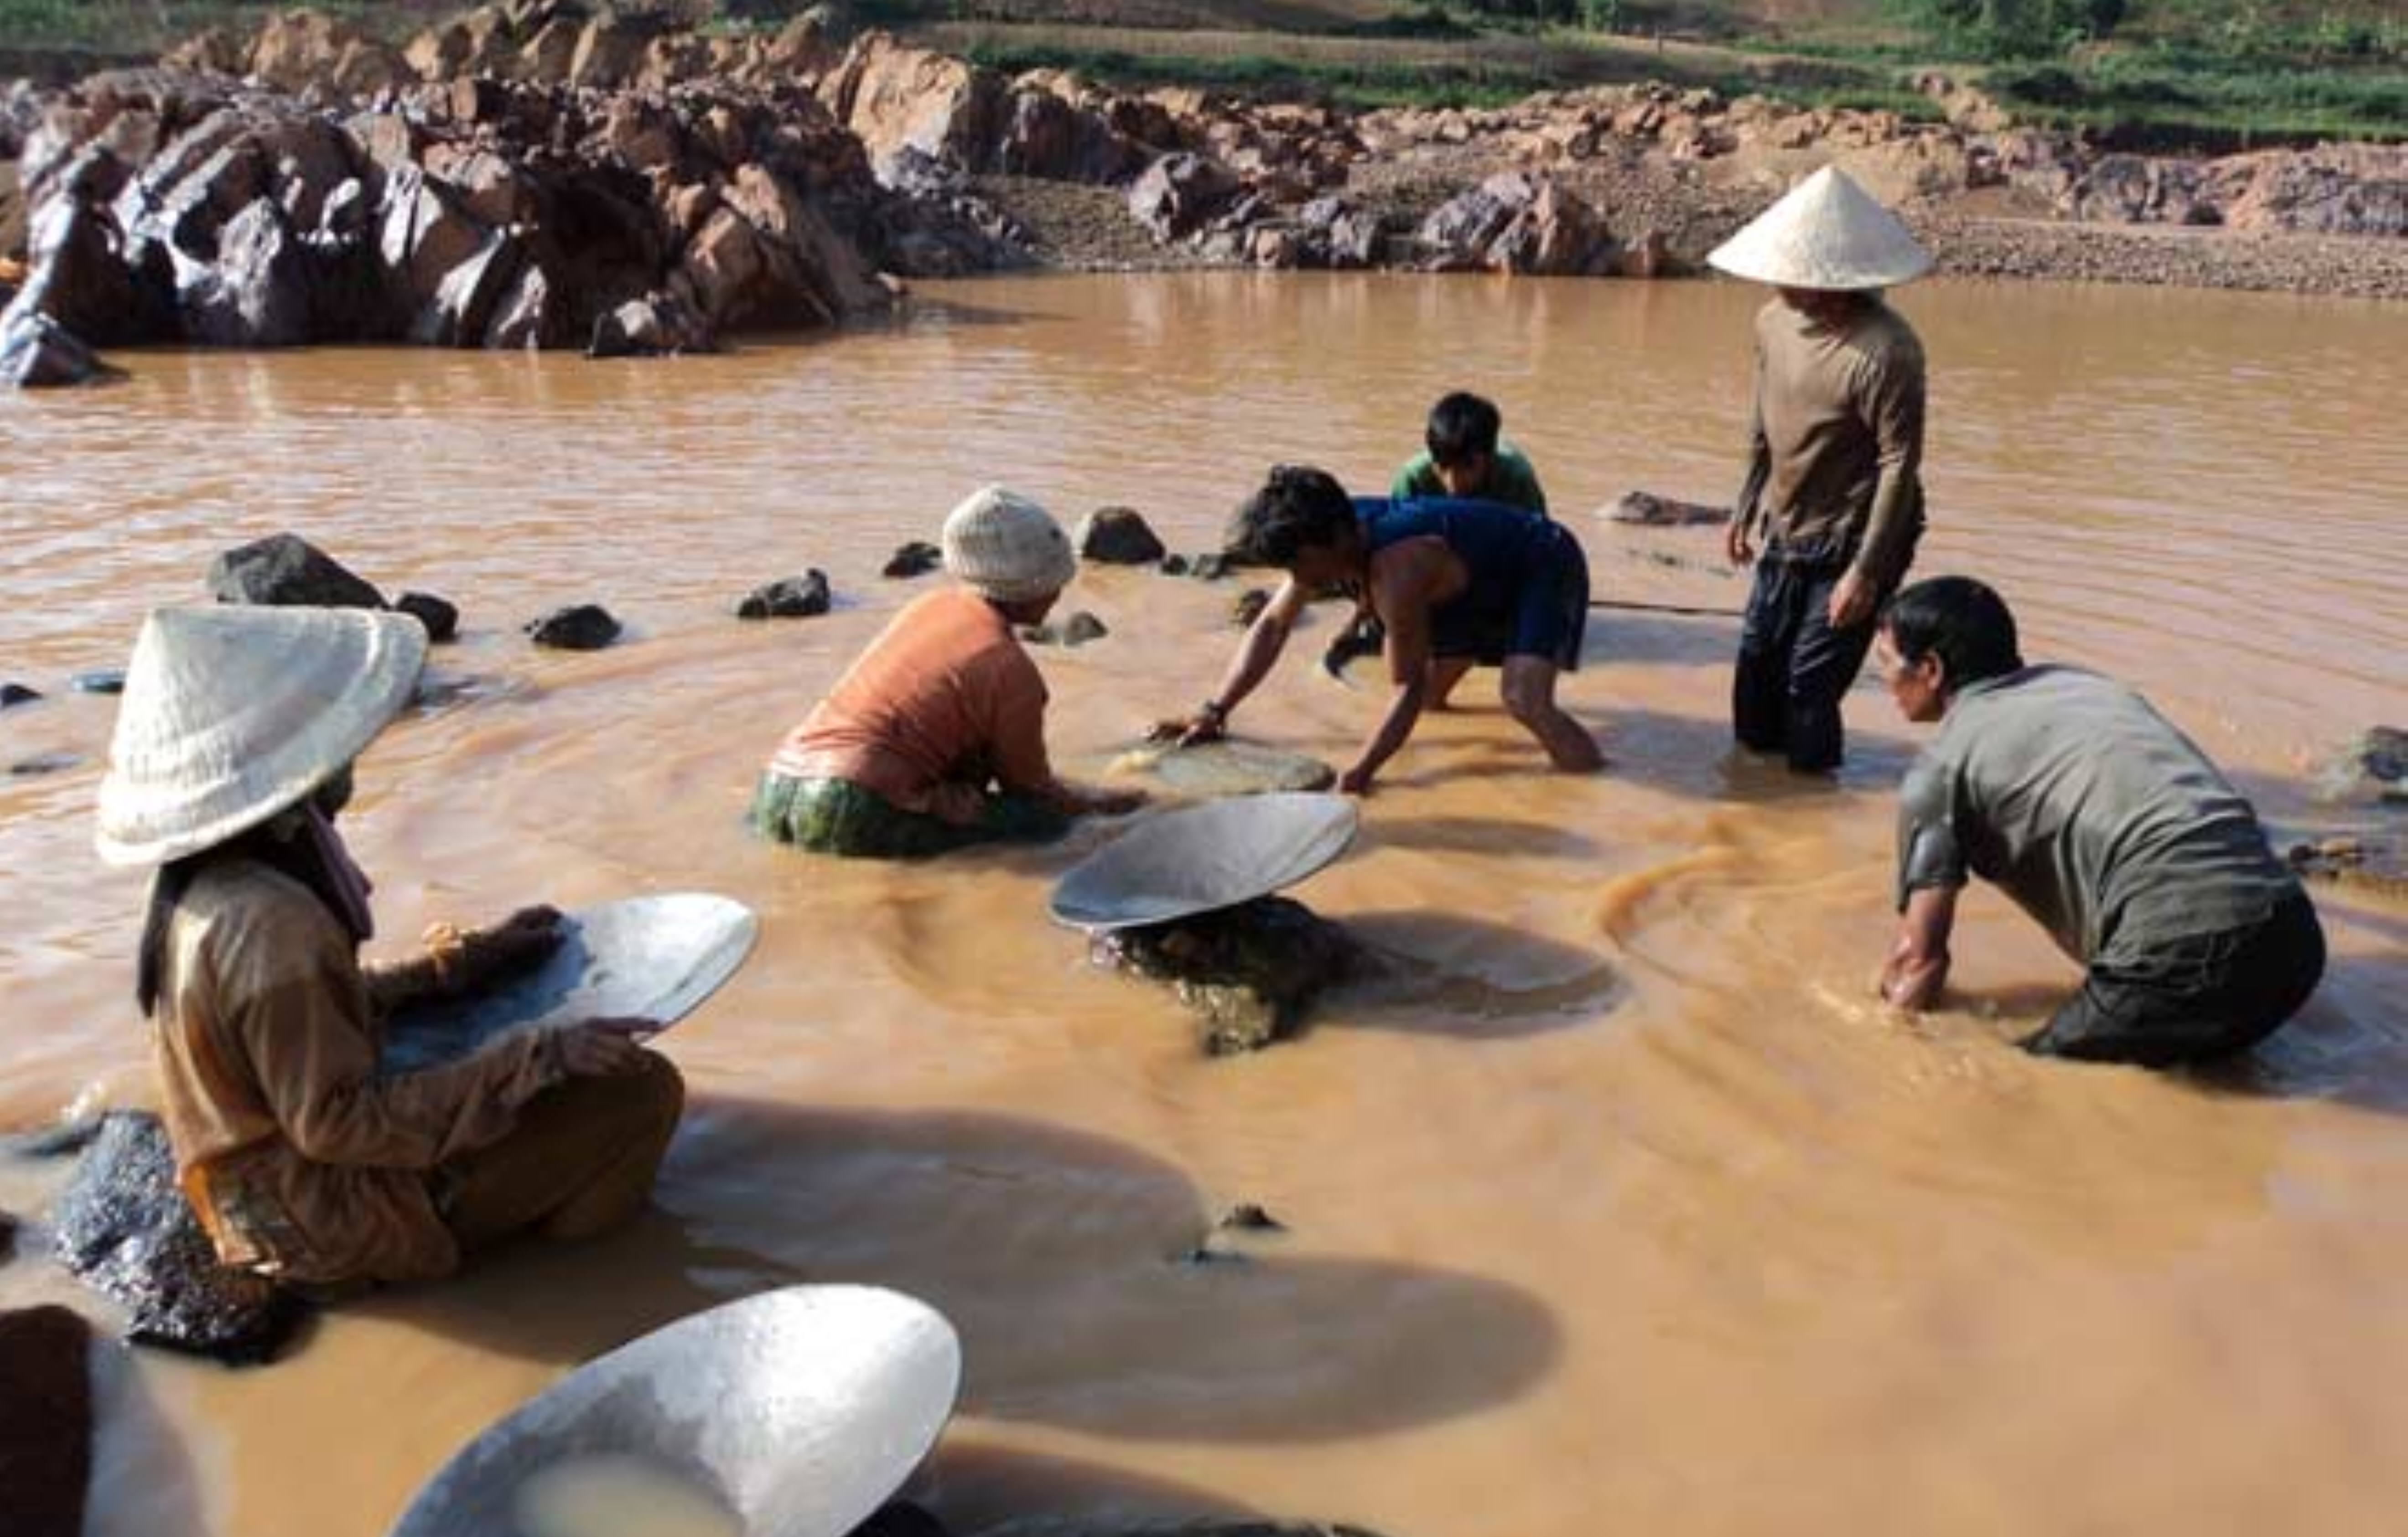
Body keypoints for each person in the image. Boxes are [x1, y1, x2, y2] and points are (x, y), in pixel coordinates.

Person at [95, 606, 683, 1290]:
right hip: (316, 1219)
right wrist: (542, 1057)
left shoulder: (209, 882)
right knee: (642, 1091)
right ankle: (568, 1281)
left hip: (254, 1188)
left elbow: (312, 1018)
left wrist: (457, 966)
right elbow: (334, 1124)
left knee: (514, 1068)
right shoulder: (275, 921)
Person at [1875, 577, 2325, 1067]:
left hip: (2183, 955)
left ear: (1931, 670)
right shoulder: (2087, 686)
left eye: (1886, 664)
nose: (1884, 682)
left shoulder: (1942, 767)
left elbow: (1919, 961)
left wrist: (1888, 1052)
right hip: (2296, 939)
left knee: (2029, 1078)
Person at [1156, 464, 1603, 795]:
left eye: (1299, 563)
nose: (1298, 577)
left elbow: (1403, 687)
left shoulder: (1396, 571)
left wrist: (1361, 773)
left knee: (1523, 699)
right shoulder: (1327, 534)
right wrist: (1215, 711)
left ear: (1336, 537)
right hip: (1467, 578)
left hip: (1542, 560)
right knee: (1431, 702)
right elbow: (1272, 626)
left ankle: (1594, 784)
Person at [753, 486, 1144, 857]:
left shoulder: (926, 606)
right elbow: (1031, 789)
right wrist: (1114, 805)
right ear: (1038, 588)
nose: (1059, 595)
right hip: (855, 808)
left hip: (776, 789)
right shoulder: (1009, 666)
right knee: (1045, 824)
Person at [1710, 166, 1931, 774]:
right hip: (1788, 525)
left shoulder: (1886, 350)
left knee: (1809, 685)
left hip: (1854, 538)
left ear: (1832, 280)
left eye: (1794, 274)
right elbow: (1764, 412)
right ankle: (1756, 805)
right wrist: (1745, 502)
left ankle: (1811, 799)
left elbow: (1899, 463)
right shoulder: (1772, 321)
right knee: (1756, 672)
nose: (1780, 282)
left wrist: (1866, 571)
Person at [1389, 391, 1549, 514]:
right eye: (1443, 466)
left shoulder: (1517, 479)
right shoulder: (1412, 479)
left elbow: (1542, 543)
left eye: (1467, 466)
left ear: (1490, 459)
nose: (1453, 482)